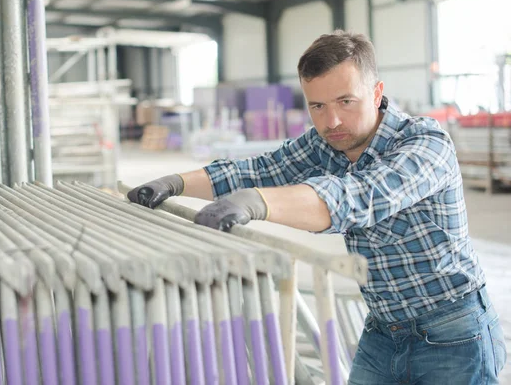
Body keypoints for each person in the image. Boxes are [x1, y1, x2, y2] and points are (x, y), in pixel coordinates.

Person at [127, 30, 507, 384]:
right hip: (382, 328)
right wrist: (173, 183)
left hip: (454, 333)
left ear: (376, 93)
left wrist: (257, 202)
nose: (332, 121)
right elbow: (258, 169)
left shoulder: (426, 145)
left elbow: (357, 197)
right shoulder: (327, 142)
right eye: (318, 106)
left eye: (346, 101)